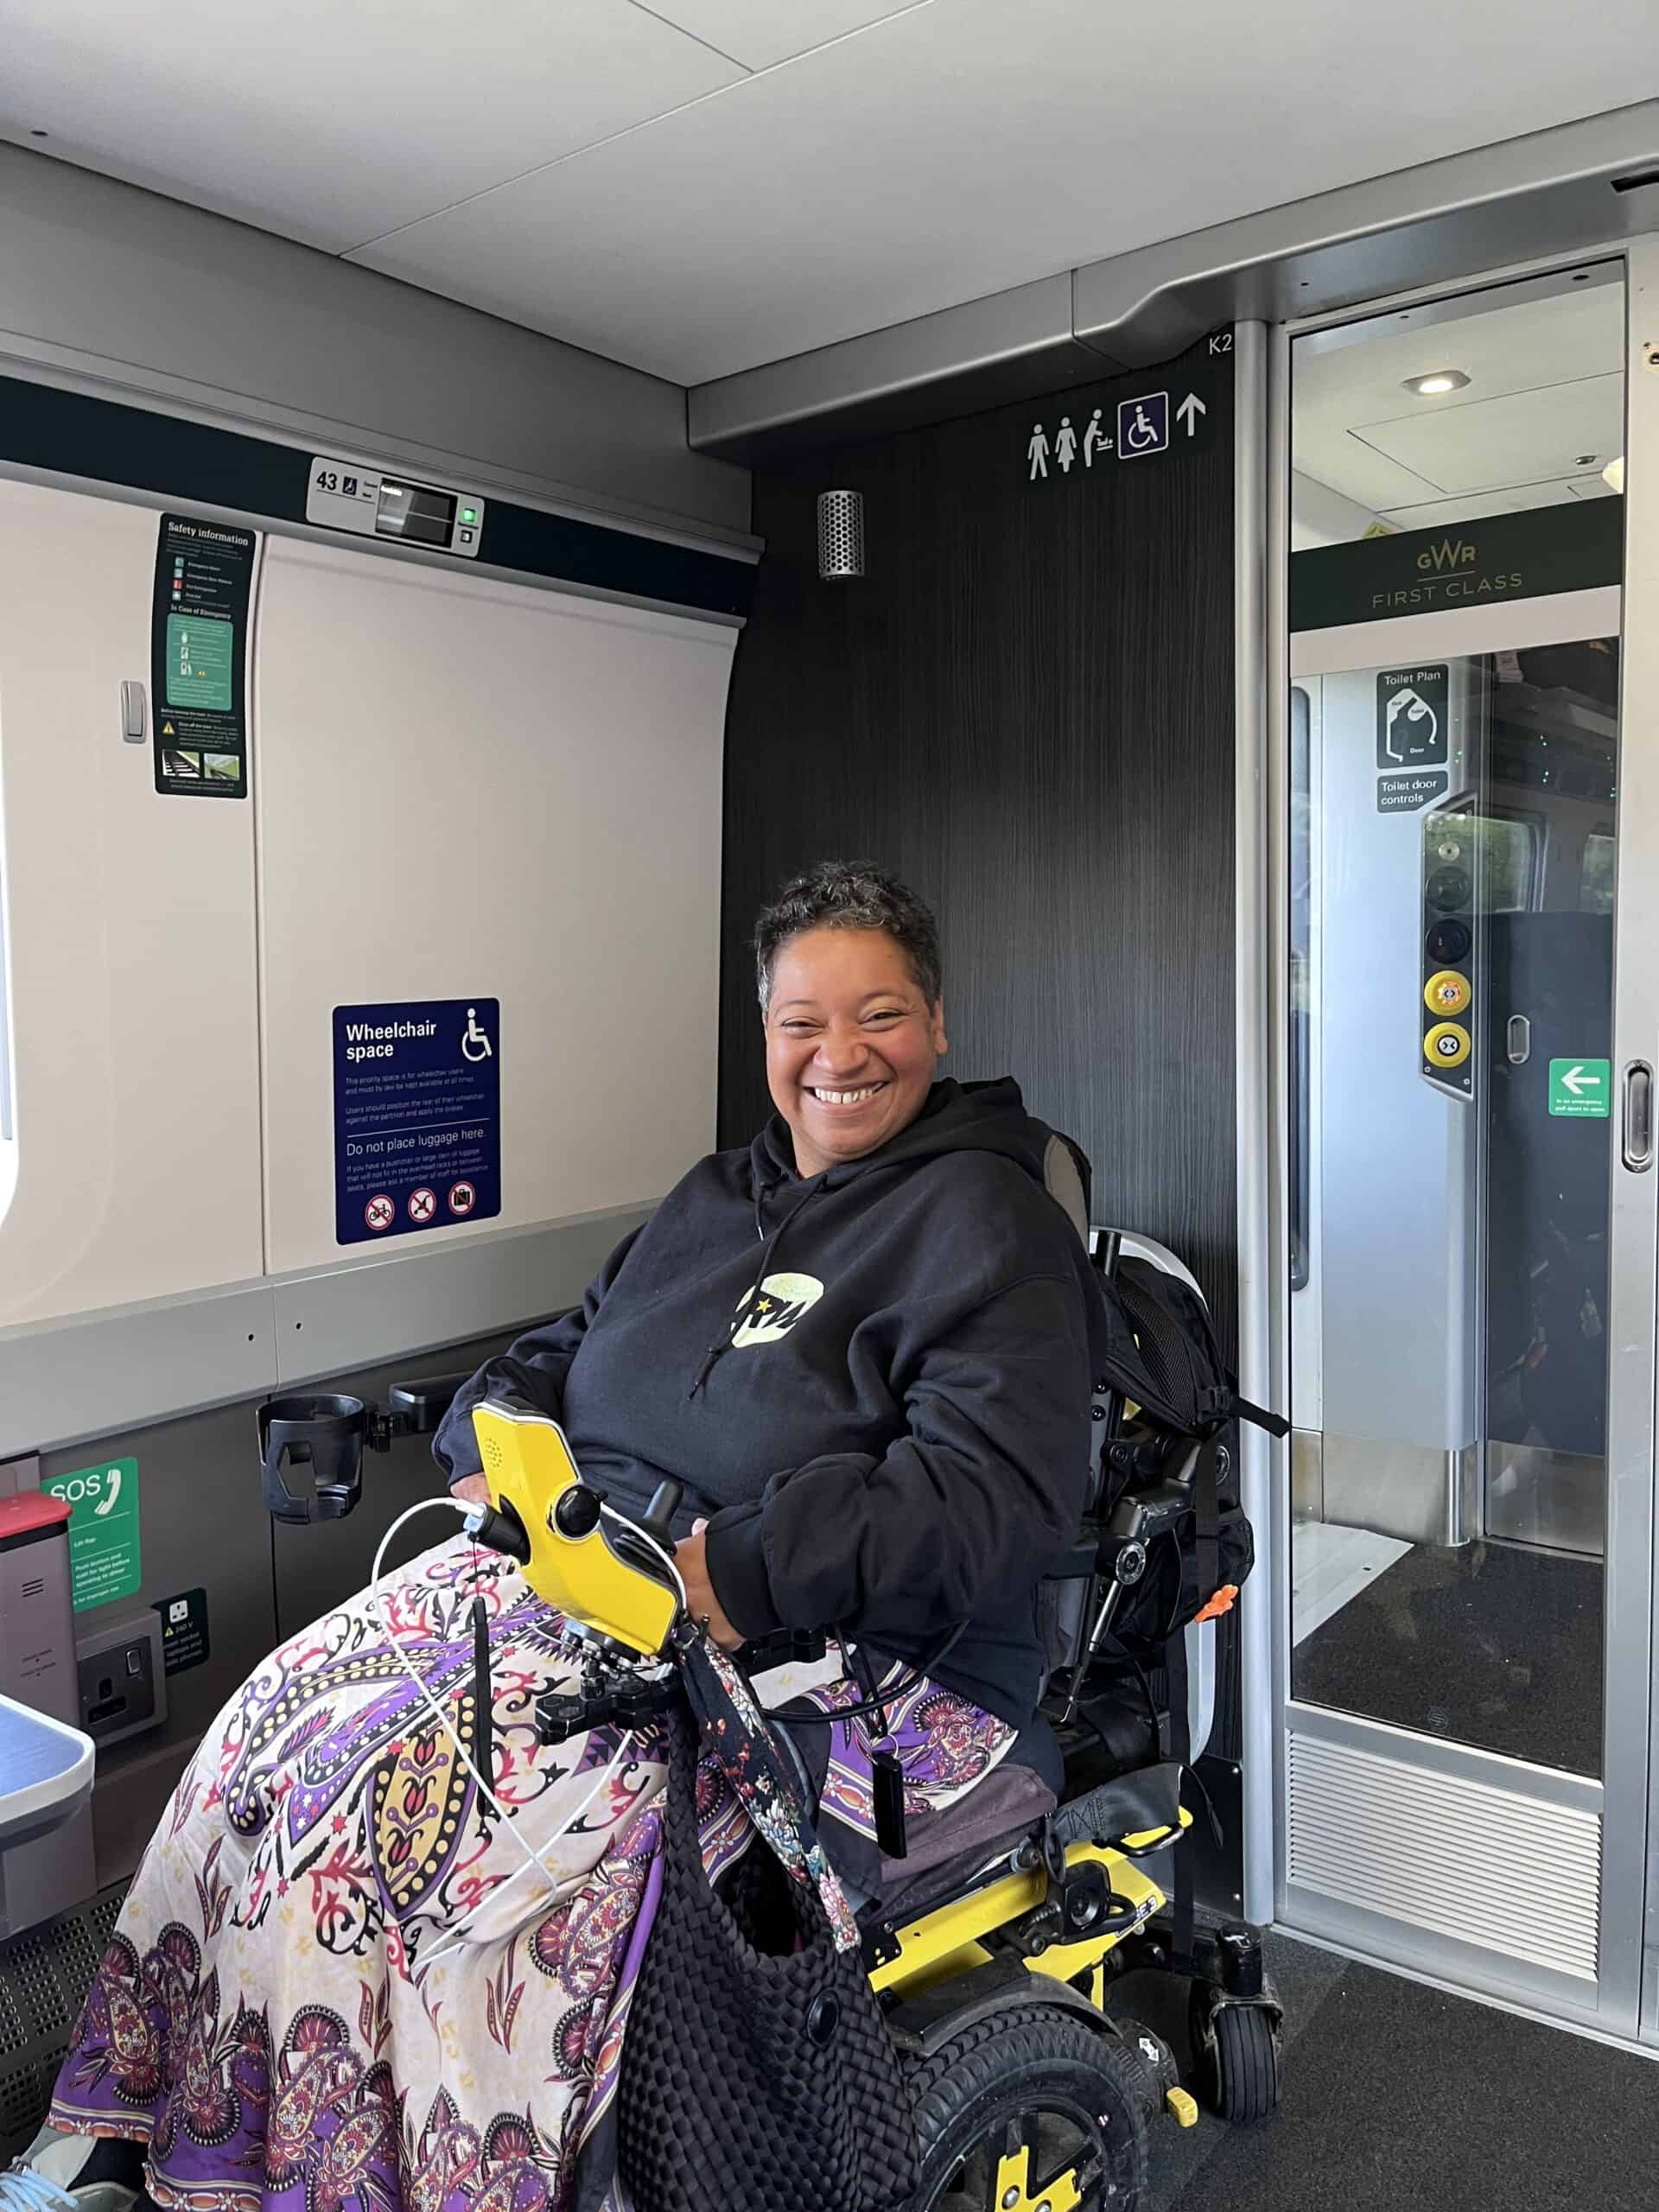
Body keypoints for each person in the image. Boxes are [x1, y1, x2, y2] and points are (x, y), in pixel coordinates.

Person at [13, 862, 1099, 2212]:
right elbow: (556, 1351)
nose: (839, 1057)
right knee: (266, 1743)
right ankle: (184, 2142)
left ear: (936, 1024)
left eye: (876, 1015)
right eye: (801, 1023)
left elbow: (986, 1498)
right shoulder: (715, 1197)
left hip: (847, 1655)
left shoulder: (995, 1227)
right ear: (765, 1037)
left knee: (431, 1878)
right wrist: (490, 1450)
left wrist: (736, 1571)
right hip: (577, 1577)